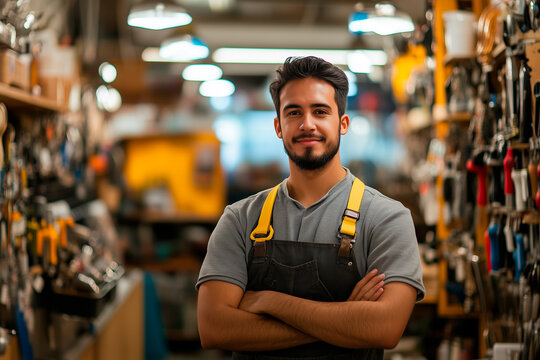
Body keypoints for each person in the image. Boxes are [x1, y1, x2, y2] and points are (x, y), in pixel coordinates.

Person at [196, 56, 425, 359]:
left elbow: (384, 329)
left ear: (342, 123)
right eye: (294, 112)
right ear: (278, 126)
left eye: (320, 111)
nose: (307, 124)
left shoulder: (386, 218)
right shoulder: (239, 220)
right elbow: (214, 328)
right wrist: (346, 319)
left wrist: (269, 302)